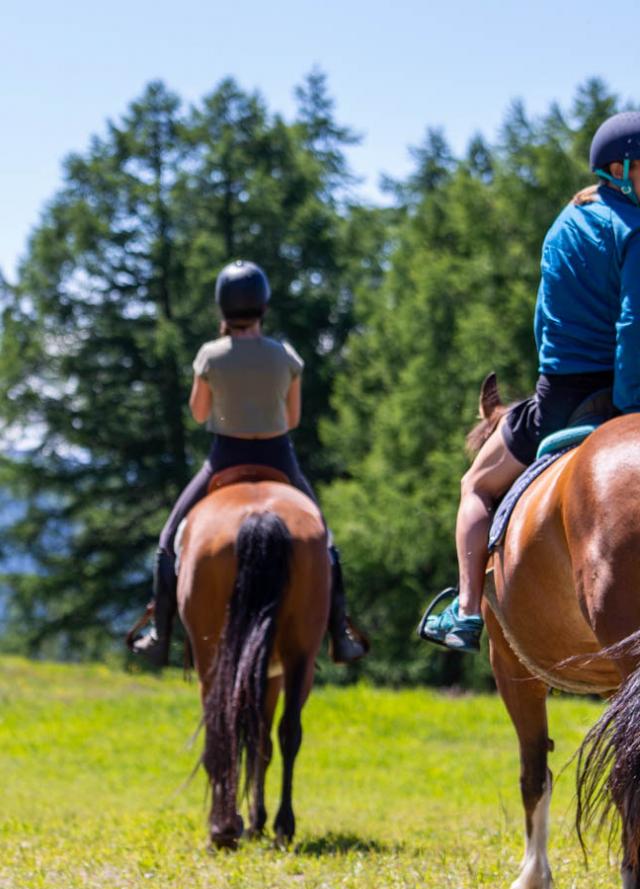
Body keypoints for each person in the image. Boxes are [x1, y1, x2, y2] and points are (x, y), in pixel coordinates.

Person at [418, 110, 640, 653]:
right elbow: (633, 326)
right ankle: (469, 611)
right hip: (624, 387)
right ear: (620, 167)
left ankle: (467, 611)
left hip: (561, 397)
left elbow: (546, 320)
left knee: (476, 485)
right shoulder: (634, 228)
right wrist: (630, 404)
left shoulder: (566, 223)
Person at [130, 259, 367, 667]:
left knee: (169, 540)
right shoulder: (285, 357)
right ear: (263, 306)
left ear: (223, 308)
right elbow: (292, 420)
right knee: (324, 542)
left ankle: (160, 632)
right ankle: (340, 630)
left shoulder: (210, 356)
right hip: (280, 459)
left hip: (225, 458)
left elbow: (200, 414)